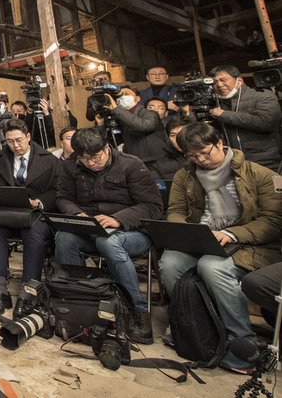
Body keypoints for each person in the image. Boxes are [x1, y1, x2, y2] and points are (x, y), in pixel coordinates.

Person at [159, 122, 282, 372]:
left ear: (220, 143)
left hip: (244, 240)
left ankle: (241, 340)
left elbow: (272, 222)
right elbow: (176, 211)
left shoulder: (259, 173)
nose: (201, 159)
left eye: (206, 152)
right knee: (169, 264)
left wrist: (230, 233)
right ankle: (196, 327)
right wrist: (187, 232)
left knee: (213, 267)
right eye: (193, 156)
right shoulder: (186, 174)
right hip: (201, 236)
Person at [55, 127, 162, 344]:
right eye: (83, 159)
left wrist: (119, 219)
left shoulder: (131, 165)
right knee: (64, 237)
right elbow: (63, 198)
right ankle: (79, 300)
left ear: (107, 148)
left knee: (109, 242)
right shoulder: (71, 166)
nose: (90, 163)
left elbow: (153, 206)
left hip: (131, 231)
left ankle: (137, 310)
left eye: (95, 157)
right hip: (90, 228)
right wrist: (76, 214)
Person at [0, 119, 58, 316]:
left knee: (34, 234)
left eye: (18, 140)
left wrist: (40, 202)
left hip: (36, 215)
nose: (15, 146)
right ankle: (0, 289)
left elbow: (58, 191)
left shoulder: (49, 160)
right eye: (10, 141)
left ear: (28, 137)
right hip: (9, 213)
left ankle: (28, 290)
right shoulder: (1, 159)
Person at [207, 65, 282, 171]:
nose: (219, 85)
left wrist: (224, 115)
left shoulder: (262, 96)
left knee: (275, 187)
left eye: (223, 80)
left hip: (268, 163)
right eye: (215, 82)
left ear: (240, 81)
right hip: (234, 165)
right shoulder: (216, 104)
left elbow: (267, 123)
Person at [106, 87, 181, 180]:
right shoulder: (120, 116)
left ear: (137, 98)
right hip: (137, 166)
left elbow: (142, 125)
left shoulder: (150, 114)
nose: (123, 97)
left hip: (159, 164)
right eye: (120, 95)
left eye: (126, 94)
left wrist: (117, 110)